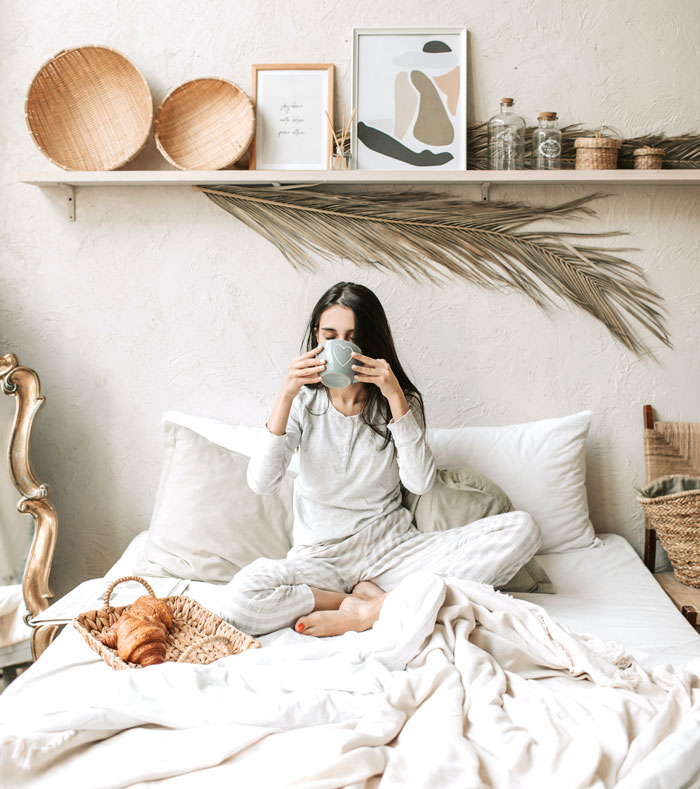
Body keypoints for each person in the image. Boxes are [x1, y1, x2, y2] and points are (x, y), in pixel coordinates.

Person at [219, 282, 541, 637]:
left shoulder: (399, 402)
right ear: (316, 339)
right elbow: (261, 482)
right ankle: (355, 601)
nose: (340, 345)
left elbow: (420, 483)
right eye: (330, 335)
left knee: (523, 529)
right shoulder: (301, 405)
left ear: (369, 343)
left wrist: (395, 398)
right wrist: (285, 394)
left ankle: (368, 611)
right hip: (321, 558)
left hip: (392, 550)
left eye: (352, 337)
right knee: (240, 602)